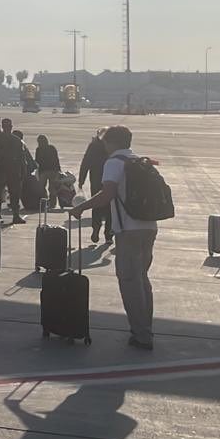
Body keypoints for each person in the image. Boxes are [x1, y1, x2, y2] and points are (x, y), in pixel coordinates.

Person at [69, 125, 158, 349]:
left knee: (129, 281)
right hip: (149, 226)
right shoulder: (139, 160)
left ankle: (142, 335)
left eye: (105, 142)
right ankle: (145, 327)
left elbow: (106, 195)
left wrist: (82, 208)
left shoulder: (114, 163)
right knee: (142, 279)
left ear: (112, 143)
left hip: (129, 229)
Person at [78, 128, 110, 244]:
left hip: (96, 180)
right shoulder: (111, 147)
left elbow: (85, 163)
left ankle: (96, 230)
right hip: (108, 180)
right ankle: (108, 234)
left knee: (97, 205)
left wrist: (81, 180)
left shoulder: (93, 146)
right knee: (109, 207)